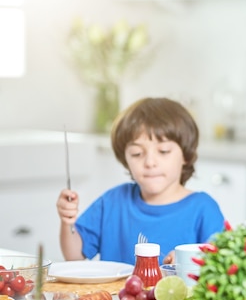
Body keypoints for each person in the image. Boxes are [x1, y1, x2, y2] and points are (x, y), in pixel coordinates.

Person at [56, 97, 225, 265]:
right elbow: (74, 256)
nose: (150, 162)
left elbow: (219, 267)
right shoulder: (112, 201)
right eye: (137, 153)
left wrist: (187, 260)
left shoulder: (204, 209)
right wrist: (67, 221)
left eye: (164, 151)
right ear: (126, 160)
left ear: (186, 156)